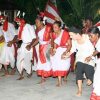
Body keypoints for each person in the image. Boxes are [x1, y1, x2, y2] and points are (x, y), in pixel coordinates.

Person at [63, 27, 95, 96]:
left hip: (89, 57)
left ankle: (90, 77)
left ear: (77, 34)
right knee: (79, 69)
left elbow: (93, 50)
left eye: (71, 35)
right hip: (80, 57)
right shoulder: (74, 40)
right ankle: (80, 90)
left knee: (88, 70)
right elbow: (73, 49)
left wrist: (90, 57)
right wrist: (67, 55)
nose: (70, 37)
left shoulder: (87, 38)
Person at [30, 13, 52, 84]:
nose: (36, 23)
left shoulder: (48, 28)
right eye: (35, 22)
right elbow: (37, 40)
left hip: (47, 47)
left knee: (48, 62)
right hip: (41, 48)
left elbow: (52, 38)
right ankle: (43, 78)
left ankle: (59, 76)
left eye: (37, 22)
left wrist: (51, 47)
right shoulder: (38, 30)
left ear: (42, 22)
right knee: (41, 62)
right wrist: (31, 45)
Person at [15, 13, 36, 80]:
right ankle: (21, 75)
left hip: (29, 45)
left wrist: (30, 45)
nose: (17, 23)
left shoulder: (29, 26)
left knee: (27, 61)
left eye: (18, 22)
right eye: (17, 22)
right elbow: (19, 38)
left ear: (22, 21)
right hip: (23, 46)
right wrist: (13, 42)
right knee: (19, 60)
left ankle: (29, 72)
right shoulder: (19, 28)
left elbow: (34, 38)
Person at [50, 21, 71, 87]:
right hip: (58, 50)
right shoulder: (54, 34)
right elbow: (55, 43)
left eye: (56, 27)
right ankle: (59, 82)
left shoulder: (65, 33)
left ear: (60, 27)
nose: (54, 29)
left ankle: (65, 76)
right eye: (53, 27)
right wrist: (54, 50)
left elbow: (70, 45)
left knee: (65, 66)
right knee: (58, 64)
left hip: (65, 49)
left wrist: (65, 52)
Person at [84, 27, 100, 100]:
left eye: (91, 36)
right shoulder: (97, 42)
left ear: (97, 35)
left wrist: (91, 57)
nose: (90, 38)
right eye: (89, 36)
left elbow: (97, 51)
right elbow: (97, 51)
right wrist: (91, 57)